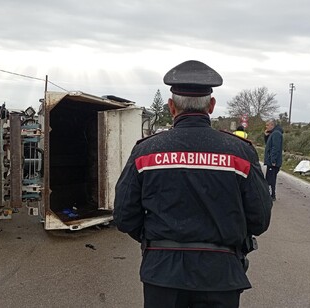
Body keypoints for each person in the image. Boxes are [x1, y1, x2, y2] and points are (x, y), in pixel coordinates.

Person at [113, 60, 272, 308]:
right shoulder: (240, 153)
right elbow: (260, 219)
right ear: (211, 105)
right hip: (221, 275)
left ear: (171, 106)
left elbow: (124, 216)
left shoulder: (146, 152)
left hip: (161, 274)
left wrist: (156, 242)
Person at [264, 119, 283, 201]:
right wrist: (266, 136)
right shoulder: (273, 133)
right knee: (269, 177)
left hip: (273, 162)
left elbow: (275, 148)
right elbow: (268, 145)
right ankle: (269, 194)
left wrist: (273, 160)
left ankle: (272, 195)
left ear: (272, 125)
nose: (266, 127)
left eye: (267, 125)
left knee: (271, 178)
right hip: (271, 160)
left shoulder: (276, 134)